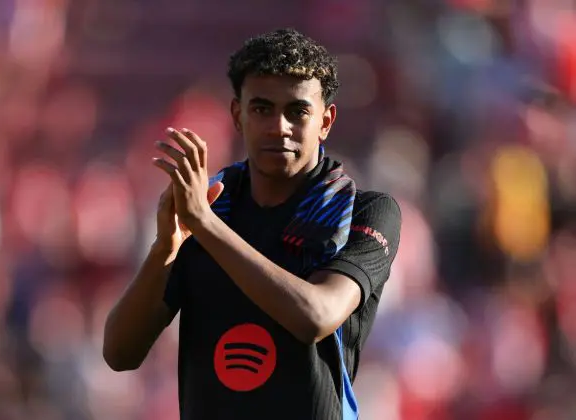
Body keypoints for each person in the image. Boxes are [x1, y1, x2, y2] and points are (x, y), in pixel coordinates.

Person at [103, 28, 402, 420]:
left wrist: (205, 226)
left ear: (326, 121)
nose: (279, 126)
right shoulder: (211, 205)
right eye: (262, 108)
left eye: (297, 111)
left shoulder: (363, 212)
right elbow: (120, 353)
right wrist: (165, 247)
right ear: (237, 116)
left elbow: (315, 316)